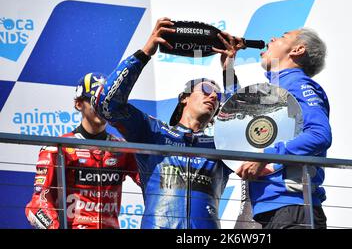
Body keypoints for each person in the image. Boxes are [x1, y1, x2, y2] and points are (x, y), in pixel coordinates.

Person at [92, 17, 233, 229]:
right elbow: (108, 105)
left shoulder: (220, 145)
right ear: (184, 97)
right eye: (205, 89)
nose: (213, 96)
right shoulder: (153, 131)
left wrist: (229, 71)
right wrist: (144, 53)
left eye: (218, 96)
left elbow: (246, 128)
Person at [213, 28, 332, 229]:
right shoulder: (279, 86)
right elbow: (241, 117)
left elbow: (319, 135)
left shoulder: (297, 84)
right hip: (273, 212)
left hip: (294, 209)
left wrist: (265, 156)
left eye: (283, 36)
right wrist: (228, 68)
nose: (272, 38)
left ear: (298, 50)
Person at [25, 73, 140, 229]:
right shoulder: (59, 147)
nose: (100, 106)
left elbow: (153, 182)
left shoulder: (123, 149)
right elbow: (36, 205)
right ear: (79, 104)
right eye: (94, 101)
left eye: (105, 101)